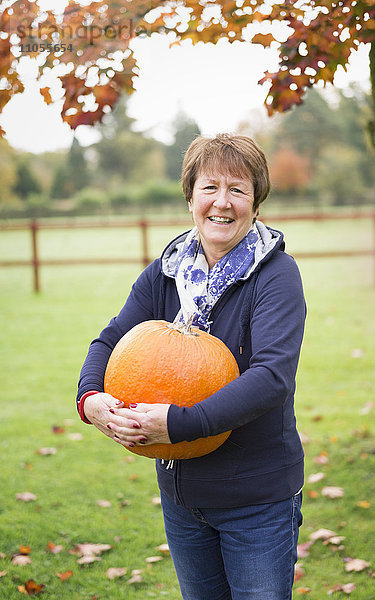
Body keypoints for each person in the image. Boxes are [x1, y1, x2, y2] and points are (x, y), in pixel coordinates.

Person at [76, 134, 306, 600]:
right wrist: (91, 398)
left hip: (255, 500)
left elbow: (271, 378)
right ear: (190, 197)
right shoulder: (166, 270)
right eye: (210, 188)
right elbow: (111, 339)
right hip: (183, 498)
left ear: (256, 203)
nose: (223, 203)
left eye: (238, 190)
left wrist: (180, 423)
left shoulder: (277, 275)